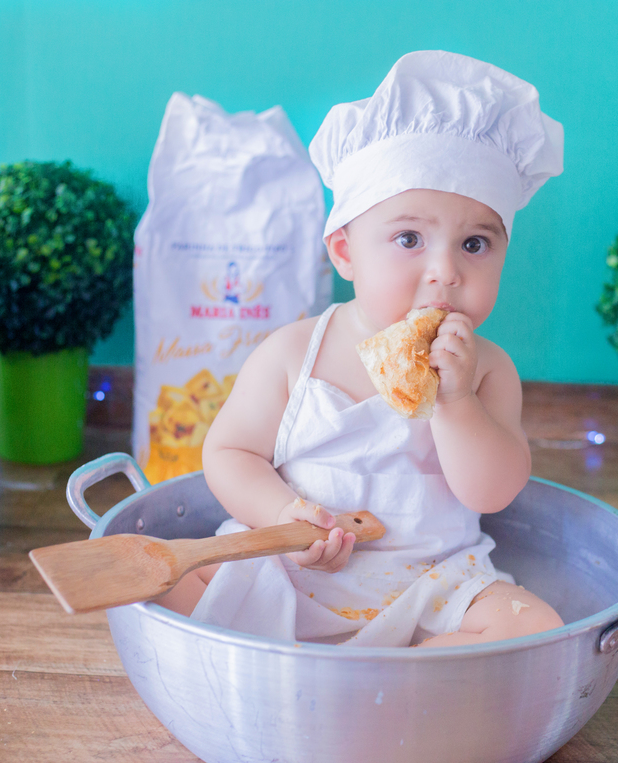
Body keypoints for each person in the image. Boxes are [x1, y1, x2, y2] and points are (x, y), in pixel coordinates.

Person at [159, 50, 565, 647]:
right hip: (293, 571)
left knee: (534, 627)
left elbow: (492, 492)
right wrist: (282, 516)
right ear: (346, 252)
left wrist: (456, 403)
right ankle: (301, 666)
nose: (444, 272)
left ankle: (399, 676)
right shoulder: (294, 352)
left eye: (475, 244)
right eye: (409, 238)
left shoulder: (488, 372)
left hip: (433, 585)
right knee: (168, 570)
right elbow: (228, 452)